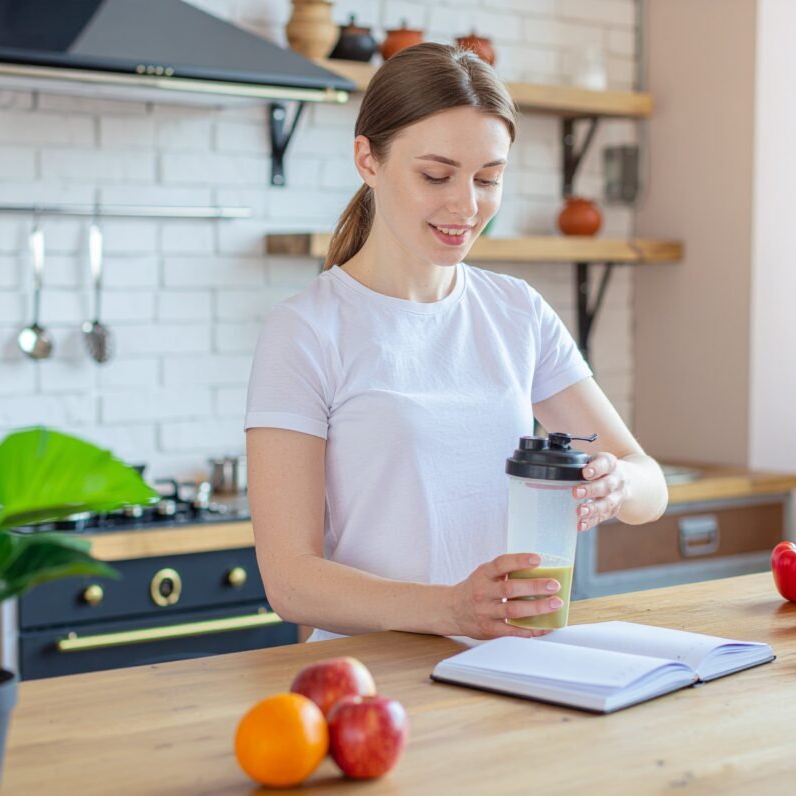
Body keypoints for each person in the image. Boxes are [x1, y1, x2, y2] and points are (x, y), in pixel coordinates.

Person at [245, 43, 668, 642]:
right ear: (367, 158)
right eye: (435, 175)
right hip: (372, 682)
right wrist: (450, 609)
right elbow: (290, 582)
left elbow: (648, 483)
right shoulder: (307, 330)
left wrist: (618, 484)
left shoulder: (516, 311)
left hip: (508, 672)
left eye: (489, 179)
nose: (467, 207)